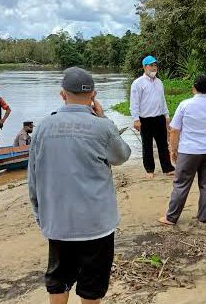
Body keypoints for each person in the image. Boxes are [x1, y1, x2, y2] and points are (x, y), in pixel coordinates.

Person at [28, 67, 131, 304]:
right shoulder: (101, 126)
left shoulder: (43, 127)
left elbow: (33, 177)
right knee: (92, 286)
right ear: (93, 95)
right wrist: (103, 118)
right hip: (97, 224)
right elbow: (122, 156)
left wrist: (41, 216)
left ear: (62, 94)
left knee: (58, 281)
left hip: (58, 222)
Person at [158, 75, 206, 225]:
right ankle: (203, 217)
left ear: (193, 88)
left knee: (181, 183)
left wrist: (172, 149)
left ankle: (171, 217)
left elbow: (174, 130)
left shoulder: (185, 105)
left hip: (189, 150)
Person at [129, 55, 175, 179]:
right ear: (145, 67)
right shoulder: (138, 83)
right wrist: (136, 119)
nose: (154, 68)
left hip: (159, 118)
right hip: (145, 120)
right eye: (151, 65)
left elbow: (162, 100)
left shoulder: (159, 82)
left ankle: (167, 168)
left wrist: (166, 115)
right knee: (147, 145)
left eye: (155, 65)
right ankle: (149, 169)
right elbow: (134, 102)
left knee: (163, 144)